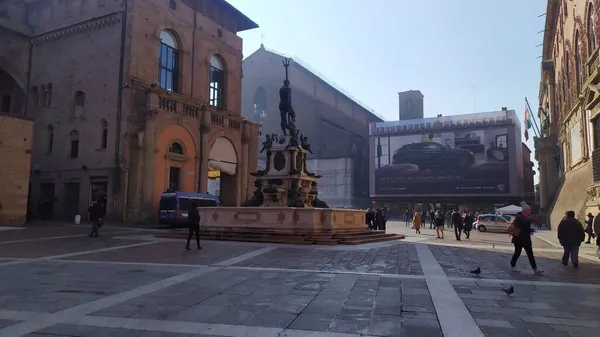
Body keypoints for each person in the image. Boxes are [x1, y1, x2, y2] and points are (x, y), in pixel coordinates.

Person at [510, 202, 544, 275]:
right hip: (518, 238)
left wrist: (530, 229)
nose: (530, 211)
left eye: (530, 210)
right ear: (525, 211)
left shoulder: (528, 217)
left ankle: (535, 269)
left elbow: (526, 227)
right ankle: (513, 265)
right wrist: (530, 229)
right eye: (529, 210)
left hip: (526, 238)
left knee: (530, 254)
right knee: (517, 253)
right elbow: (522, 227)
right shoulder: (519, 217)